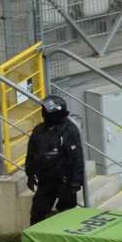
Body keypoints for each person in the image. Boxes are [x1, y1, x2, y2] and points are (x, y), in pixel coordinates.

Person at [27, 96, 84, 225]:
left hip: (65, 180)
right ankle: (36, 240)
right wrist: (30, 175)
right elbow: (31, 154)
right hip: (46, 180)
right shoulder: (39, 130)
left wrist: (76, 181)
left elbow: (77, 157)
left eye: (46, 110)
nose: (43, 112)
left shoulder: (69, 130)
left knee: (66, 213)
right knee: (37, 211)